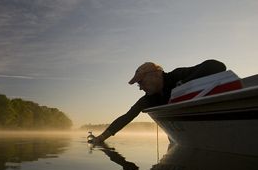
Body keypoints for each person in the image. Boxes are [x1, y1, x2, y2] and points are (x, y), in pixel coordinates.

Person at [92, 59, 226, 144]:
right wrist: (101, 138)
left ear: (156, 74)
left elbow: (216, 66)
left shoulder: (177, 75)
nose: (141, 88)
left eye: (141, 82)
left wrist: (183, 86)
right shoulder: (148, 99)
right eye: (139, 85)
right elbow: (126, 117)